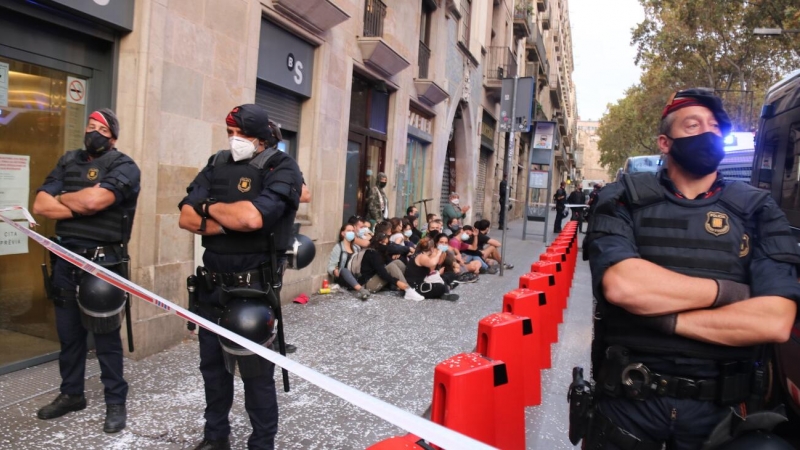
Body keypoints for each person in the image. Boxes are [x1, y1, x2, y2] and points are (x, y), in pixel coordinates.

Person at [580, 89, 800, 450]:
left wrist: (663, 318)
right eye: (693, 124)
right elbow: (624, 287)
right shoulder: (623, 198)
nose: (707, 133)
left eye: (715, 126)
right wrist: (733, 293)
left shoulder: (759, 210)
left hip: (722, 413)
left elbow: (773, 321)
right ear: (665, 143)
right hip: (628, 403)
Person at [178, 104, 304, 450]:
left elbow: (251, 219)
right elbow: (185, 217)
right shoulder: (217, 163)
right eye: (230, 133)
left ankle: (261, 444)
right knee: (213, 372)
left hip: (253, 291)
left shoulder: (283, 167)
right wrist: (224, 218)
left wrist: (209, 208)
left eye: (243, 135)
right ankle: (215, 437)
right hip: (211, 289)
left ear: (261, 139)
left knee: (256, 379)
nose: (235, 141)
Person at [32, 109, 139, 433]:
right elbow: (40, 206)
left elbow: (96, 201)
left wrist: (63, 200)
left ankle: (115, 401)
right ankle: (71, 394)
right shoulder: (69, 160)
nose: (92, 132)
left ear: (113, 137)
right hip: (65, 260)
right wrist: (79, 201)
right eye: (90, 126)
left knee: (106, 338)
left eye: (100, 128)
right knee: (69, 336)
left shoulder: (124, 166)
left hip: (103, 263)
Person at [357, 233, 423, 300]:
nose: (385, 245)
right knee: (391, 266)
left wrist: (397, 254)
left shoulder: (381, 251)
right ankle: (408, 290)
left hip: (377, 278)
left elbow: (389, 262)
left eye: (386, 243)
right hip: (369, 284)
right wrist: (397, 282)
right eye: (383, 243)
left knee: (397, 262)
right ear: (377, 243)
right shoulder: (372, 253)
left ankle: (413, 282)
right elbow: (382, 273)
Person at [327, 223, 369, 300]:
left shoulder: (356, 247)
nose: (351, 233)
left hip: (356, 275)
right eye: (349, 231)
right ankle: (361, 290)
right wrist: (334, 271)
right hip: (344, 277)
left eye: (353, 231)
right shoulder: (338, 247)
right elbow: (331, 266)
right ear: (343, 233)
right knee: (344, 270)